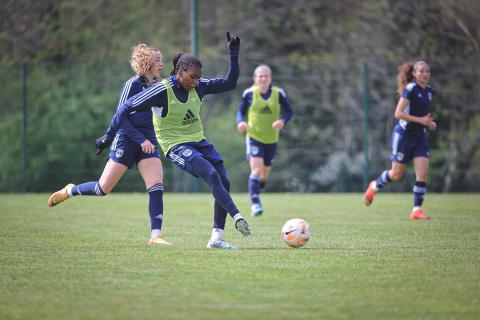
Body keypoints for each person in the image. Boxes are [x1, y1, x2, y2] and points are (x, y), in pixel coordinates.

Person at [98, 32, 251, 250]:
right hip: (176, 146)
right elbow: (125, 107)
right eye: (192, 77)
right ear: (180, 72)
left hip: (200, 142)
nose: (196, 81)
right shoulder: (162, 89)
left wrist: (234, 57)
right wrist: (109, 134)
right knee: (210, 174)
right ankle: (237, 217)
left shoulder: (199, 86)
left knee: (223, 181)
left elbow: (229, 82)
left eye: (199, 77)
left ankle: (216, 238)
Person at [48, 44, 171, 245]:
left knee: (156, 186)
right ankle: (70, 190)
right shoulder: (132, 85)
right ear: (147, 62)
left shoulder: (160, 86)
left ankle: (155, 235)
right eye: (158, 59)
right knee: (102, 189)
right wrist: (139, 140)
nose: (162, 63)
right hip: (126, 139)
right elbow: (119, 117)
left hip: (148, 140)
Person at [363, 60, 437, 220]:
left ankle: (416, 209)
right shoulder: (410, 89)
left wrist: (429, 123)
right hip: (404, 136)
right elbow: (398, 113)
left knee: (423, 173)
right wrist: (422, 121)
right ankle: (374, 186)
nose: (425, 74)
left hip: (419, 137)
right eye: (421, 71)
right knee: (396, 175)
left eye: (427, 71)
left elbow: (423, 115)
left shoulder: (430, 91)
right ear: (414, 74)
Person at [236, 65, 293, 217]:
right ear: (255, 78)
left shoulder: (278, 93)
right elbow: (240, 112)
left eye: (266, 76)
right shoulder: (248, 93)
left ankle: (258, 186)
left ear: (270, 78)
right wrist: (241, 122)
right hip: (254, 136)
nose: (263, 78)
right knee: (255, 170)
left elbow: (289, 111)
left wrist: (282, 121)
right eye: (260, 76)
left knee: (264, 173)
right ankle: (255, 203)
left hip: (272, 139)